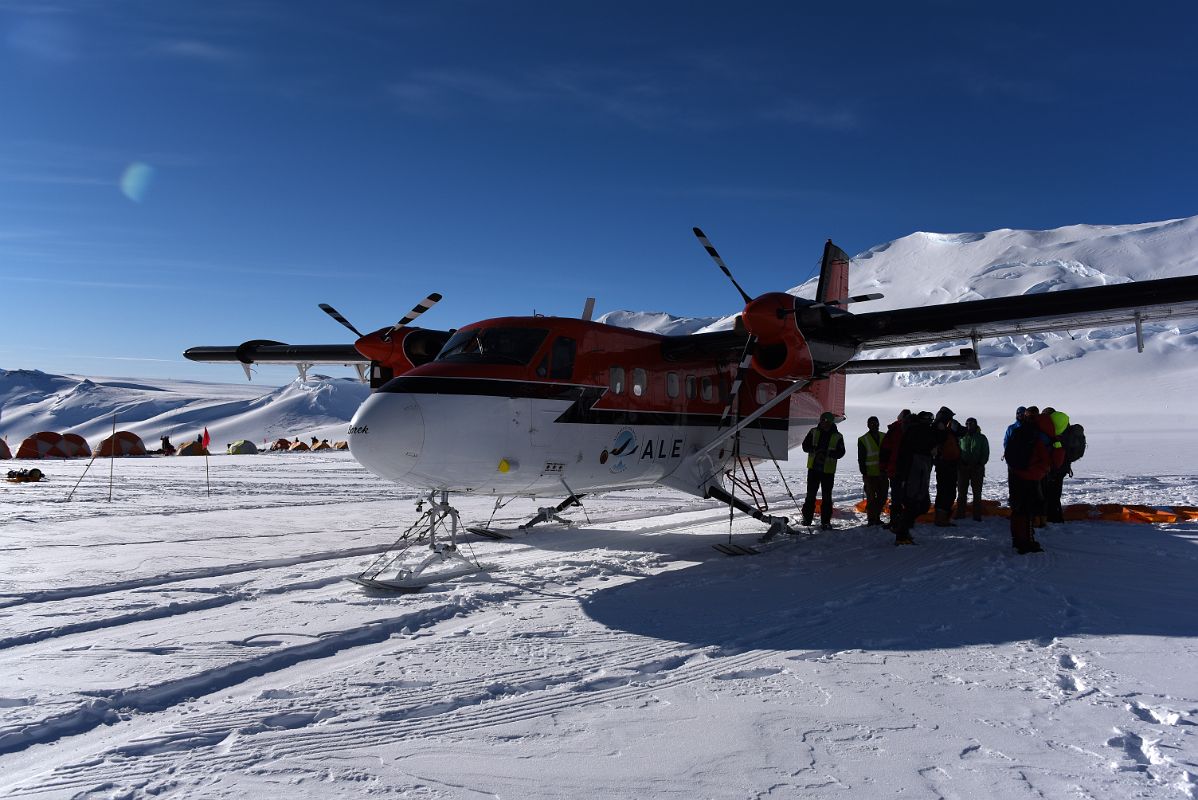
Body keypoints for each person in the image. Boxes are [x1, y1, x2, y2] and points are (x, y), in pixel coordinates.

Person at [1004, 411, 1051, 554]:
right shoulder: (1036, 436)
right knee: (1028, 512)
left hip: (1015, 475)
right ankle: (1027, 542)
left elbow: (1008, 451)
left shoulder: (1016, 432)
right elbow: (1044, 458)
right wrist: (1042, 471)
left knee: (1018, 510)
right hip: (1030, 478)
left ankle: (1017, 540)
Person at [893, 410, 937, 544]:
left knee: (920, 504)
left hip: (914, 474)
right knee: (915, 504)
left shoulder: (912, 431)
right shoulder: (920, 432)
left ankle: (902, 529)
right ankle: (901, 533)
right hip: (914, 474)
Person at [801, 411, 845, 530]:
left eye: (826, 421)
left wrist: (829, 453)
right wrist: (815, 450)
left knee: (826, 497)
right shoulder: (813, 431)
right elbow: (805, 446)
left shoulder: (838, 436)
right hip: (814, 469)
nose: (823, 423)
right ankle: (807, 519)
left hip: (828, 471)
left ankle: (825, 522)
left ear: (830, 422)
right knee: (810, 495)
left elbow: (841, 452)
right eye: (822, 420)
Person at [879, 409, 911, 530]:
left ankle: (895, 521)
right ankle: (904, 521)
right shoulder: (913, 429)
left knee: (897, 496)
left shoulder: (895, 429)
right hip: (908, 469)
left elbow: (885, 450)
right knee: (905, 496)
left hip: (895, 468)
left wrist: (883, 467)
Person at [956, 418, 990, 521]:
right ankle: (960, 513)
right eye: (967, 423)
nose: (969, 425)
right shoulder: (961, 437)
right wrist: (960, 463)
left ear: (976, 425)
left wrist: (980, 464)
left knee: (977, 493)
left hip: (977, 469)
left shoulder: (982, 438)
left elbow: (985, 453)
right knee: (961, 492)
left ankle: (977, 515)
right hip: (963, 468)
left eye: (971, 423)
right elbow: (957, 451)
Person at [932, 406, 960, 527]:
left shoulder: (947, 429)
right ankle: (941, 519)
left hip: (950, 464)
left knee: (948, 492)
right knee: (945, 492)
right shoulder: (938, 429)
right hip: (944, 465)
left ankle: (943, 518)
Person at [857, 416, 888, 526]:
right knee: (871, 498)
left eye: (876, 423)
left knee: (883, 497)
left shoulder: (885, 436)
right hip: (870, 474)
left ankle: (877, 516)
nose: (874, 425)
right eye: (872, 423)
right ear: (868, 425)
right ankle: (871, 519)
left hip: (883, 473)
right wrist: (864, 473)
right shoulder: (863, 440)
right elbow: (861, 458)